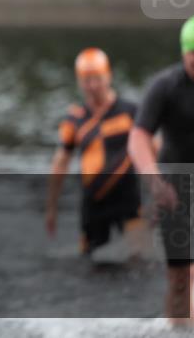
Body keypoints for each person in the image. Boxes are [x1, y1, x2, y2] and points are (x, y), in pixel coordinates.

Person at [129, 14, 194, 327]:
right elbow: (138, 138)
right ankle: (182, 328)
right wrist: (154, 181)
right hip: (175, 185)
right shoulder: (165, 87)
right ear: (183, 52)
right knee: (182, 274)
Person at [45, 48, 146, 256]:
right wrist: (51, 206)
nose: (92, 86)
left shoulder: (131, 112)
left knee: (140, 261)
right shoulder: (75, 120)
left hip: (127, 199)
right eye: (86, 80)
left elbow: (154, 149)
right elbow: (60, 162)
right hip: (94, 203)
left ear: (109, 76)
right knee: (89, 264)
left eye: (97, 79)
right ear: (78, 81)